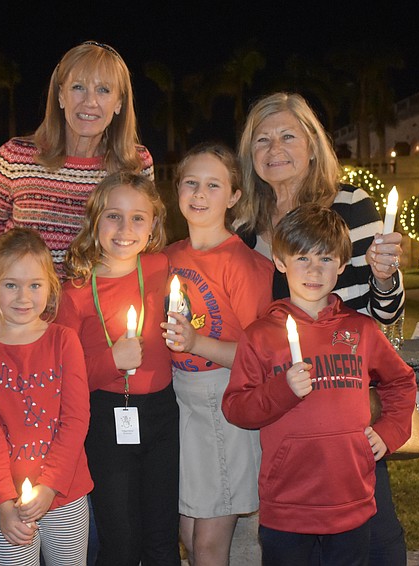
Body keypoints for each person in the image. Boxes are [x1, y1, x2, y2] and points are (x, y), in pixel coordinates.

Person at [232, 92, 408, 564]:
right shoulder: (245, 228)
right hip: (282, 418)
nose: (275, 149)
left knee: (376, 539)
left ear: (312, 143)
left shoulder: (349, 206)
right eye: (262, 140)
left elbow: (384, 317)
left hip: (345, 414)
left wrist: (385, 276)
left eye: (288, 135)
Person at [0, 40, 155, 336]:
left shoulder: (136, 165)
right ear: (59, 95)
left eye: (104, 90)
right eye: (78, 88)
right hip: (13, 326)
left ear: (120, 103)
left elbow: (143, 250)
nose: (90, 102)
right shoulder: (15, 157)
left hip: (95, 328)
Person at [55, 172, 180, 565]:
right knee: (121, 540)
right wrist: (113, 362)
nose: (125, 229)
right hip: (106, 422)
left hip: (162, 415)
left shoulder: (163, 268)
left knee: (162, 538)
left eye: (138, 218)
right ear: (95, 220)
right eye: (113, 216)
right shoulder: (75, 292)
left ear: (154, 225)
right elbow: (64, 378)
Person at [160, 143, 272, 565]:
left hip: (222, 405)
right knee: (189, 533)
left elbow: (259, 354)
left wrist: (196, 343)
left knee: (207, 544)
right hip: (179, 403)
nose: (200, 193)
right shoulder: (167, 256)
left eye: (213, 184)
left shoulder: (243, 265)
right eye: (191, 183)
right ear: (177, 191)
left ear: (234, 196)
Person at [0, 228, 92, 565]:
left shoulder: (64, 341)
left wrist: (49, 487)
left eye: (35, 285)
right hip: (8, 503)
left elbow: (75, 419)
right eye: (11, 285)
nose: (23, 297)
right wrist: (4, 503)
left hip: (65, 494)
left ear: (50, 288)